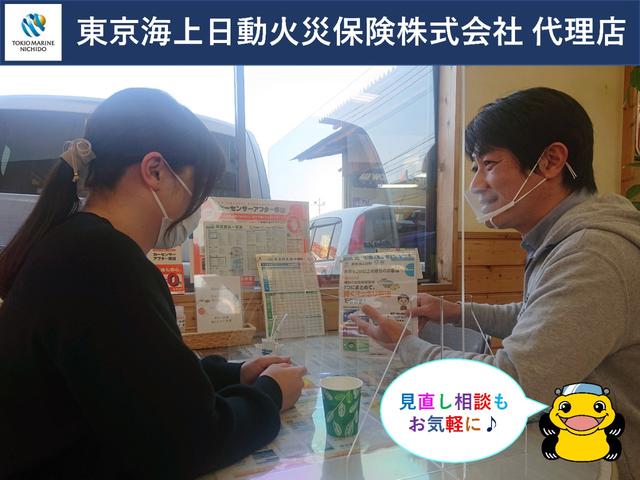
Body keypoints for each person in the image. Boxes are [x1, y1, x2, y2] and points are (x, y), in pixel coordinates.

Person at [0, 88, 306, 480]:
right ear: (155, 170)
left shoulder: (77, 243)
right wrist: (271, 394)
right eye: (198, 189)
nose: (198, 207)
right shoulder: (100, 261)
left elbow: (139, 376)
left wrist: (237, 374)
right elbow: (189, 442)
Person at [353, 87, 640, 480]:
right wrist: (455, 312)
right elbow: (538, 317)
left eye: (488, 164)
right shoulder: (564, 239)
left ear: (552, 161)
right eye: (475, 166)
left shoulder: (592, 253)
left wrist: (406, 347)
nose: (475, 185)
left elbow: (511, 386)